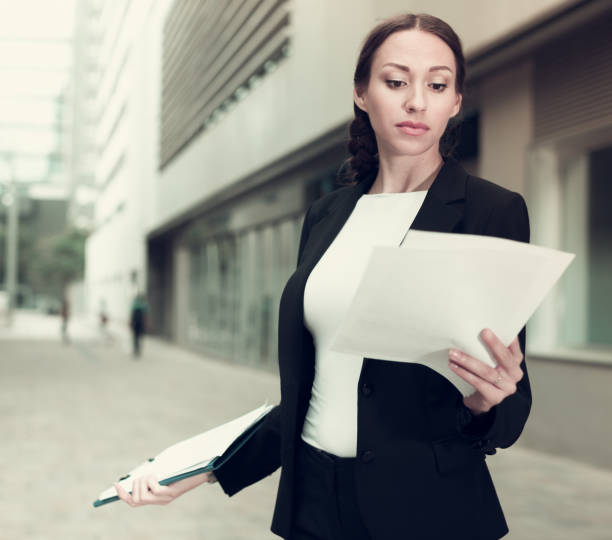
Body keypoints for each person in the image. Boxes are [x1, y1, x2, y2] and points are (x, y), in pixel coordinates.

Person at [115, 13, 531, 540]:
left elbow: (512, 409)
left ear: (455, 101)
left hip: (427, 511)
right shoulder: (327, 215)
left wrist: (484, 402)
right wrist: (198, 468)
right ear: (362, 93)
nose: (416, 102)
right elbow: (314, 391)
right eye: (396, 81)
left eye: (437, 84)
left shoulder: (492, 212)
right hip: (313, 503)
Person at [129, 292, 148, 357]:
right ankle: (137, 349)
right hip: (139, 322)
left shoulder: (137, 304)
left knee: (136, 336)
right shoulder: (143, 304)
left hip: (137, 322)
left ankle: (137, 349)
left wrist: (131, 322)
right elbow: (145, 315)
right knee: (137, 336)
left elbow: (132, 315)